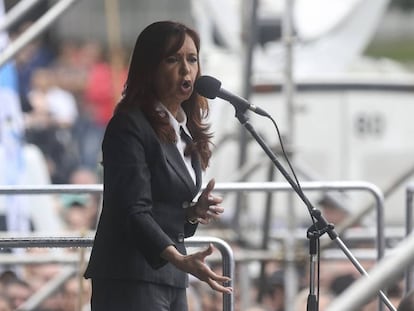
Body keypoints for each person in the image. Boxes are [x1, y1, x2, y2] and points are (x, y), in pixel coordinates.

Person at [84, 20, 232, 310]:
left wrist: (191, 214)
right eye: (172, 59)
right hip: (130, 277)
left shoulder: (183, 129)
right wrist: (179, 258)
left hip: (172, 276)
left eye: (192, 59)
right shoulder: (129, 125)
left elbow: (164, 213)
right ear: (149, 68)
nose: (186, 69)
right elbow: (132, 210)